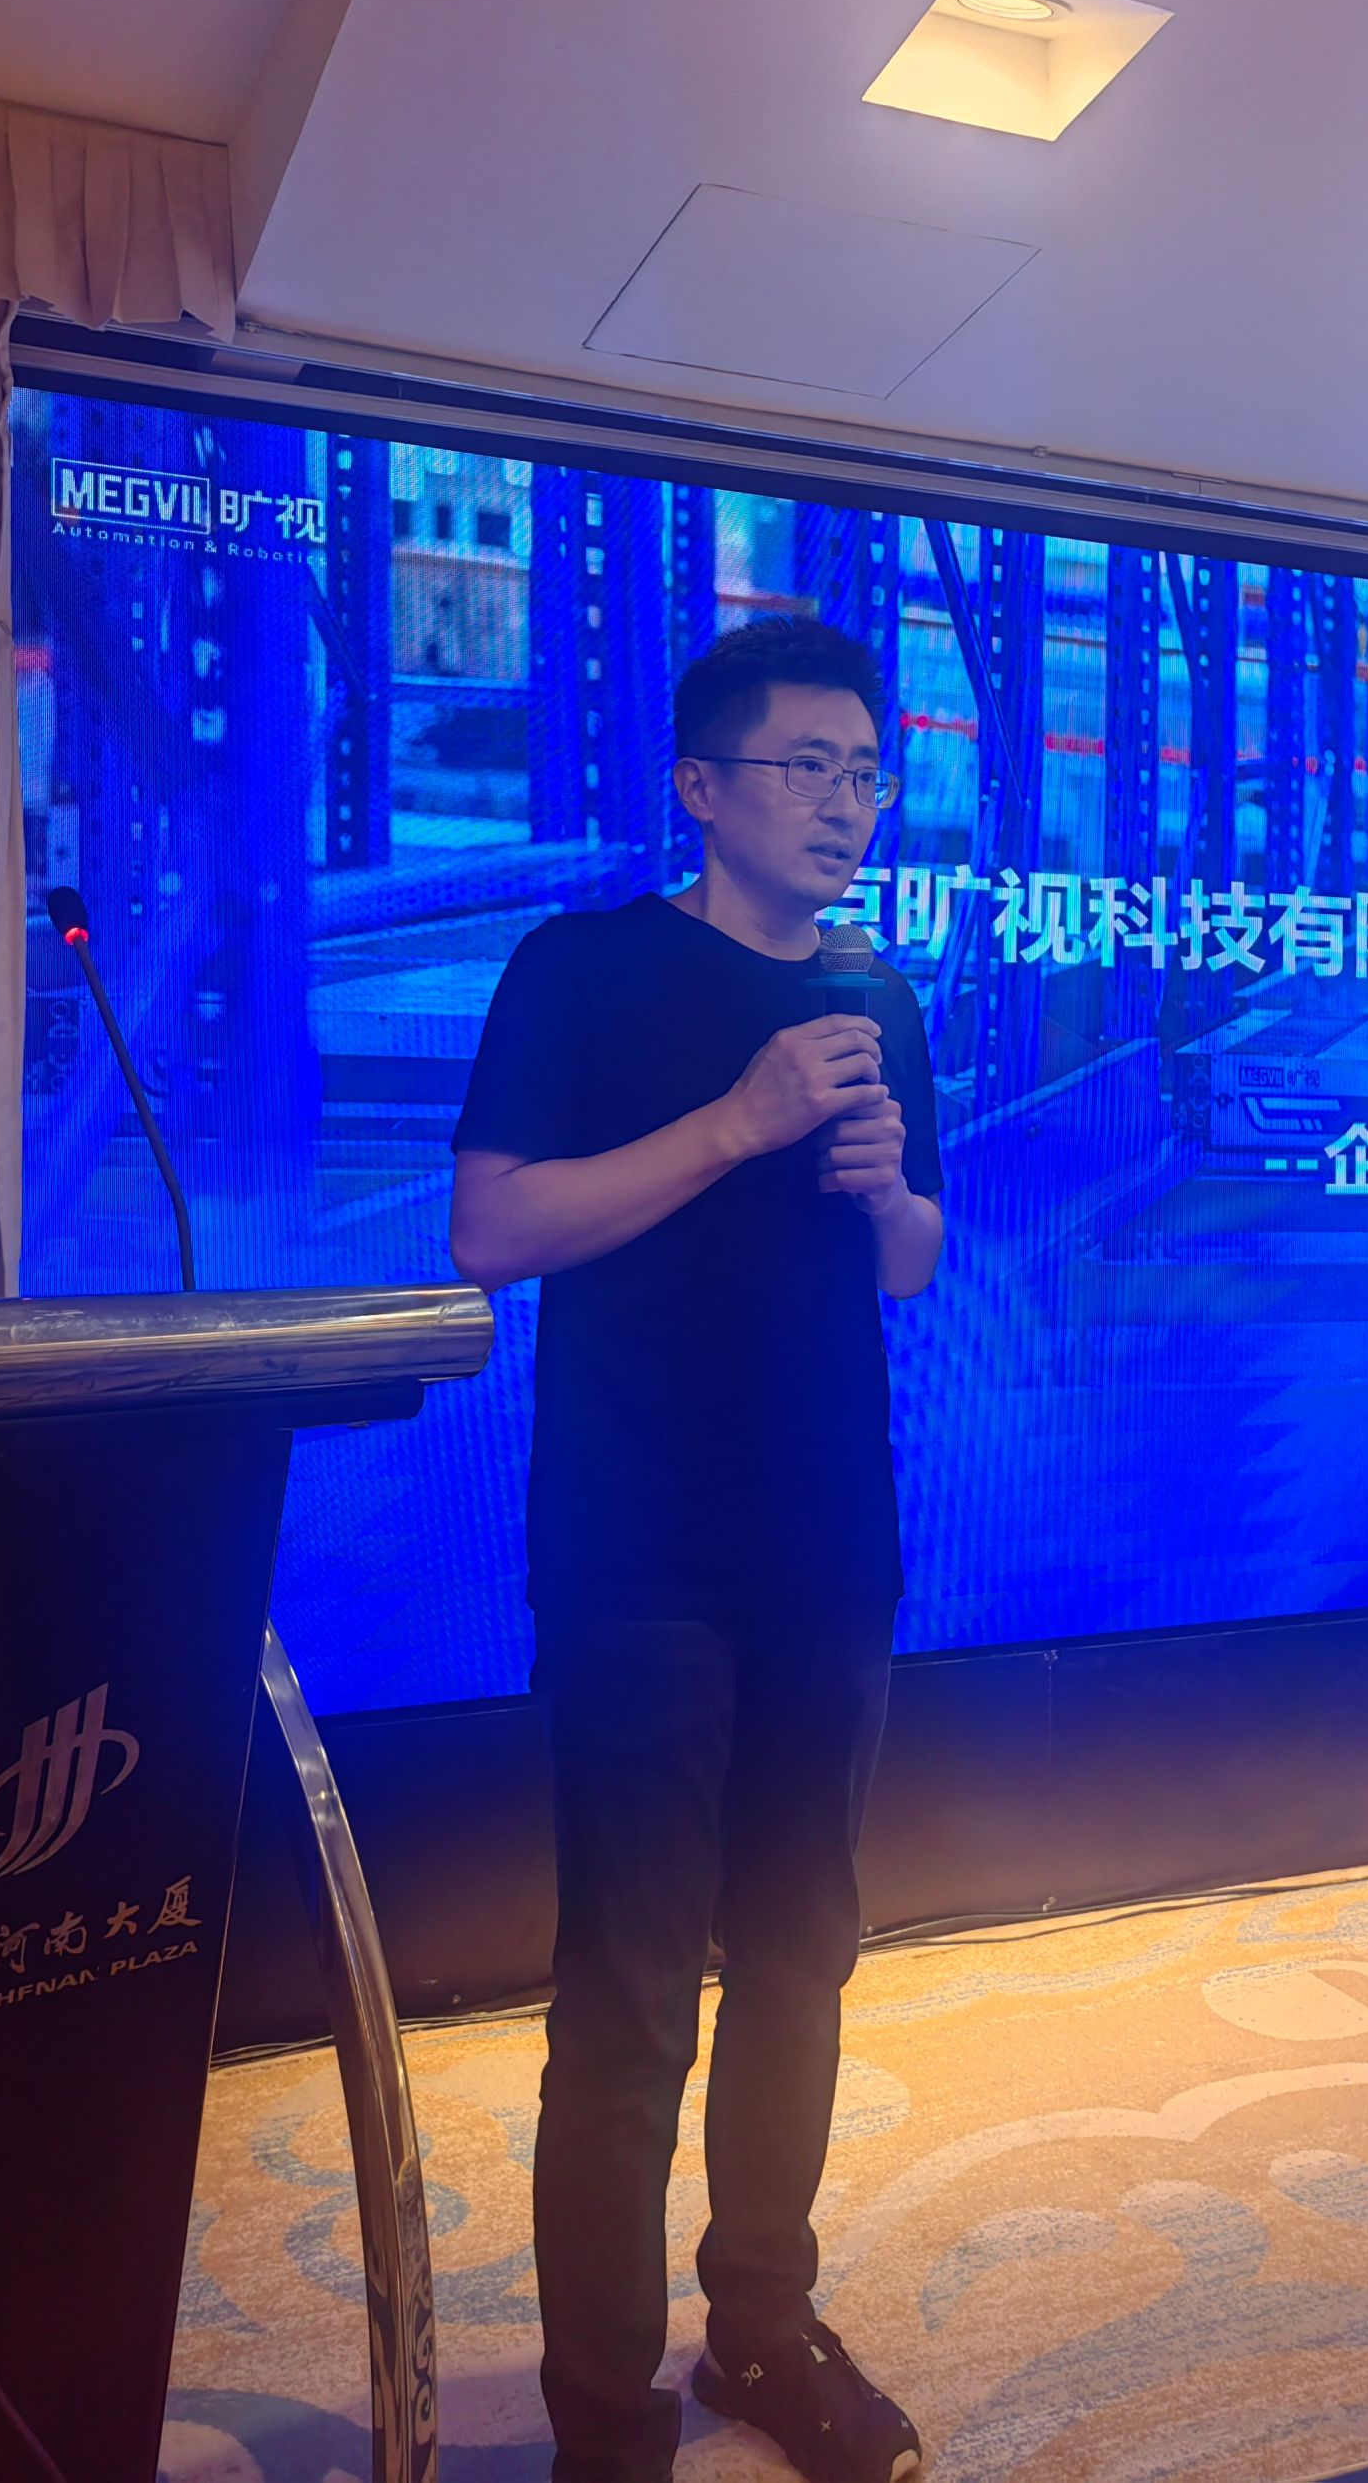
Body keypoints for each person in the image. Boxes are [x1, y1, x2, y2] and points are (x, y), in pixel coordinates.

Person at [449, 614, 945, 2483]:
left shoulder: (880, 996)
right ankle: (602, 2416)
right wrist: (737, 1123)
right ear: (702, 787)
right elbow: (492, 1228)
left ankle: (761, 2329)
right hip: (638, 1552)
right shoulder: (581, 968)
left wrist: (887, 1196)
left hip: (832, 1549)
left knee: (803, 1955)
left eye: (867, 771)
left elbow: (917, 1262)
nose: (846, 802)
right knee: (631, 1995)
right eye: (808, 766)